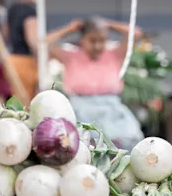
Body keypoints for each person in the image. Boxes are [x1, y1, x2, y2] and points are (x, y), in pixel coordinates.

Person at [47, 18, 145, 149]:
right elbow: (44, 43)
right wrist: (69, 29)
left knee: (131, 142)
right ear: (82, 40)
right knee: (85, 147)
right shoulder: (71, 56)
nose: (98, 45)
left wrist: (109, 24)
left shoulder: (114, 54)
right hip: (81, 109)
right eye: (92, 41)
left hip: (113, 110)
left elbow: (136, 34)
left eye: (102, 40)